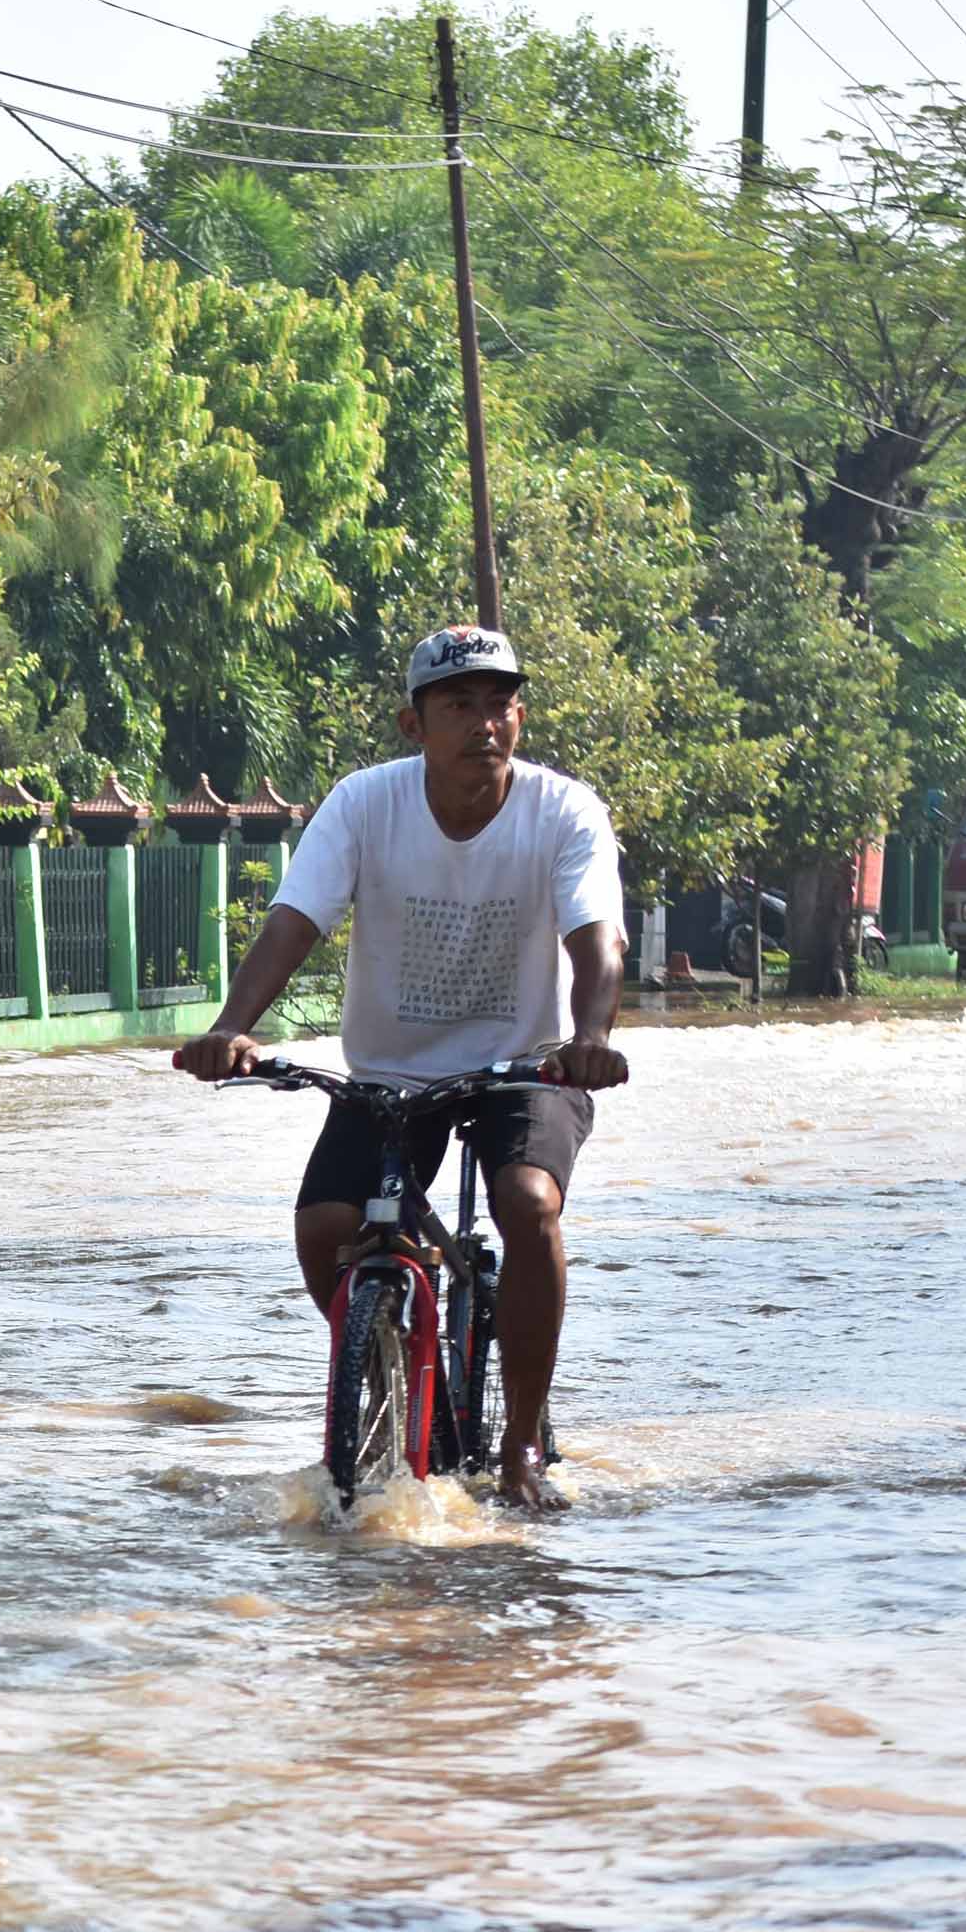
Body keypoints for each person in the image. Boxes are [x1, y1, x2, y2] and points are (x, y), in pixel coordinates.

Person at [172, 624, 630, 1512]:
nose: (483, 724)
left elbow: (596, 940)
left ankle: (522, 1442)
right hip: (391, 1072)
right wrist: (231, 1028)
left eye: (500, 705)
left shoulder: (564, 811)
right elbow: (294, 921)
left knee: (529, 1205)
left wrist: (591, 1037)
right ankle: (382, 1361)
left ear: (520, 720)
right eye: (458, 705)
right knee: (324, 1225)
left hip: (529, 1065)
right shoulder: (364, 804)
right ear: (413, 725)